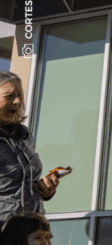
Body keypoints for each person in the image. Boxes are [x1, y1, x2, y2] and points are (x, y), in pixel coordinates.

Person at [0, 72, 59, 227]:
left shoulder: (23, 134)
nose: (18, 101)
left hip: (33, 229)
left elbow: (24, 184)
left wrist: (46, 190)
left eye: (20, 95)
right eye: (9, 95)